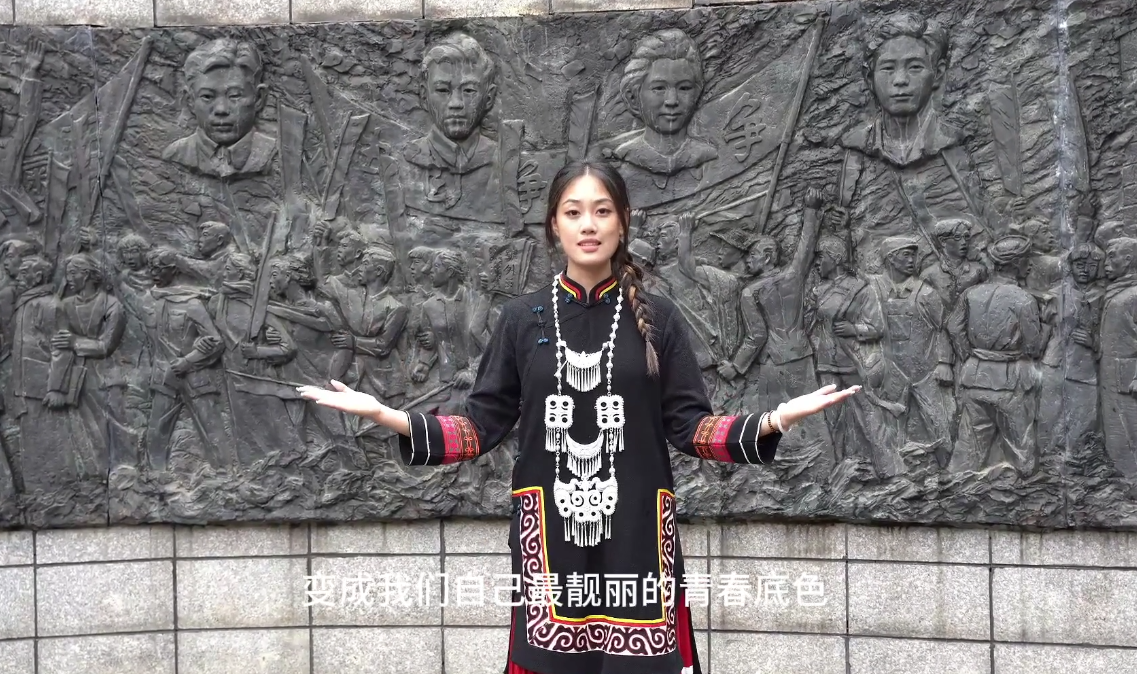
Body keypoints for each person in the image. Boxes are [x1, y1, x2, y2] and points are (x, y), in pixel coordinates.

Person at [298, 161, 858, 674]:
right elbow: (478, 428)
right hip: (550, 531)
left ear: (623, 222)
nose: (588, 225)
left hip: (638, 532)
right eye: (573, 212)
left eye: (602, 211)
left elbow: (692, 427)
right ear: (554, 226)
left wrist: (772, 421)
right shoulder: (521, 318)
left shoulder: (659, 318)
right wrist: (388, 416)